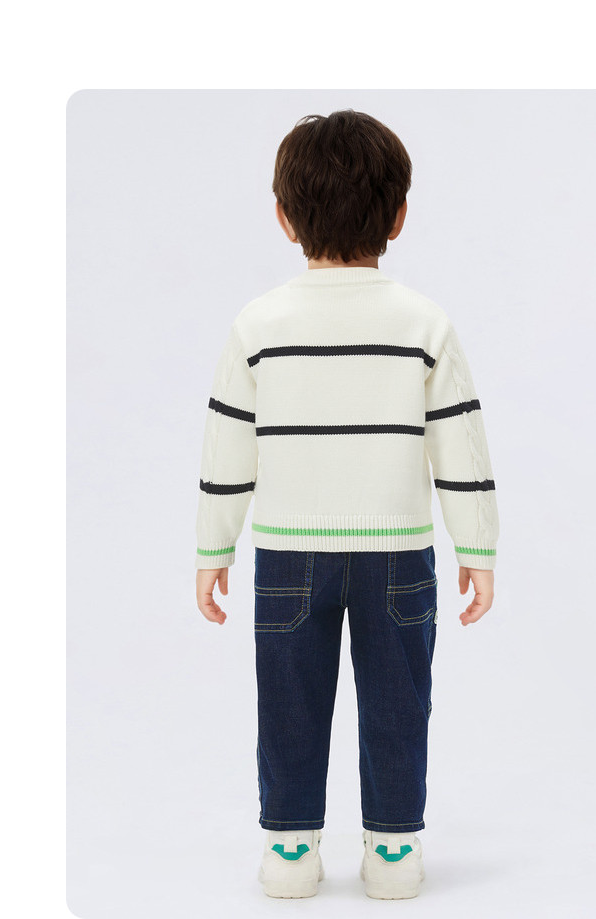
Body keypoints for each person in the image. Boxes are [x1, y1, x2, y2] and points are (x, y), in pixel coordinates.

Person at [194, 109, 500, 900]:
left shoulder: (257, 325)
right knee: (400, 699)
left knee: (287, 698)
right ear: (399, 215)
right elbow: (460, 443)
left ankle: (290, 847)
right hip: (399, 552)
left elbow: (228, 446)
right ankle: (394, 850)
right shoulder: (425, 324)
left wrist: (212, 548)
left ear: (283, 216)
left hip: (287, 552)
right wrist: (477, 548)